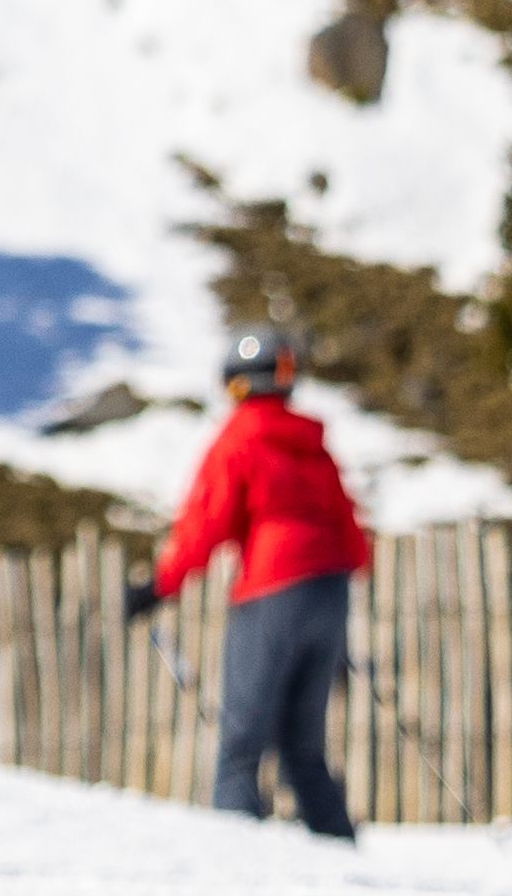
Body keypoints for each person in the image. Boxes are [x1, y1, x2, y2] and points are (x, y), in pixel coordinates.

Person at [148, 325, 368, 840]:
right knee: (302, 745)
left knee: (242, 742)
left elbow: (208, 520)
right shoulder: (312, 444)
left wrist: (161, 585)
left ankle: (234, 859)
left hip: (271, 590)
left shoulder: (240, 438)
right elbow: (351, 533)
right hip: (330, 593)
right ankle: (339, 852)